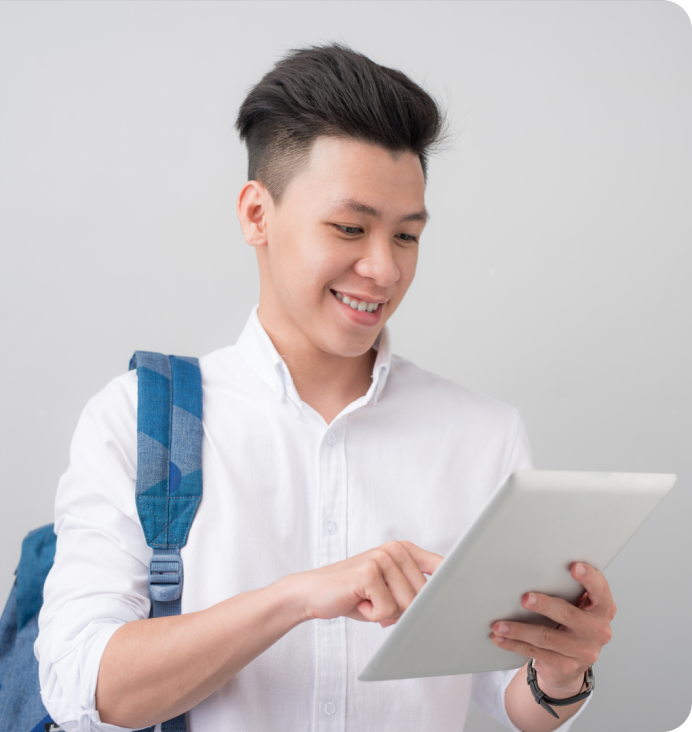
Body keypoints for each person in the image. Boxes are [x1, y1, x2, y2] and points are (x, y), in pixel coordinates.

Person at [36, 43, 615, 732]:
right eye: (349, 228)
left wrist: (560, 673)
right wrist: (296, 599)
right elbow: (81, 687)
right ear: (257, 215)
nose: (384, 269)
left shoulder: (483, 436)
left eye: (407, 236)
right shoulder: (139, 420)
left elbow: (509, 695)